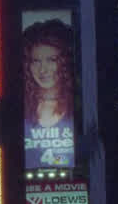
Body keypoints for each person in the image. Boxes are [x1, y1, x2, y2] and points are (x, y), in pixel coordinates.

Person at [21, 17, 79, 172]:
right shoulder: (20, 107)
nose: (43, 70)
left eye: (52, 60)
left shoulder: (78, 106)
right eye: (36, 61)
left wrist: (55, 159)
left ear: (65, 63)